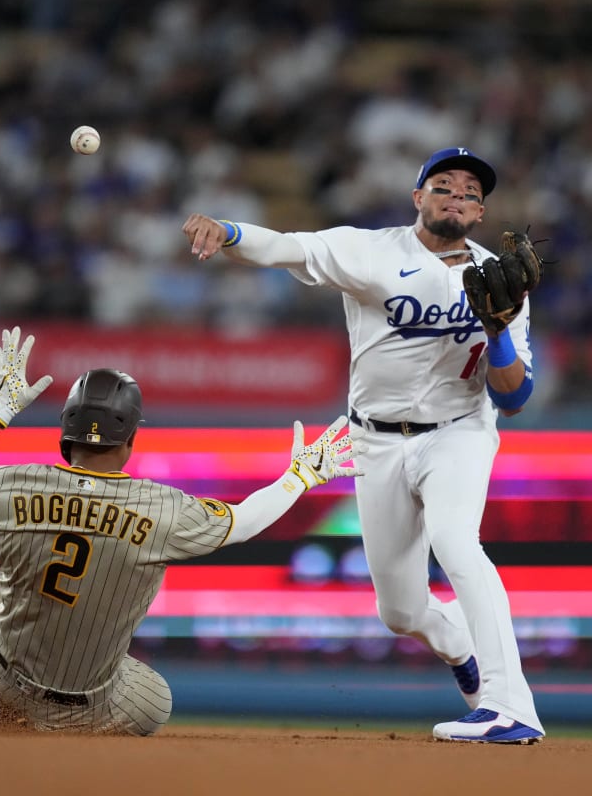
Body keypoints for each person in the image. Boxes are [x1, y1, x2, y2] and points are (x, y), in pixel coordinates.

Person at [182, 146, 545, 744]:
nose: (458, 195)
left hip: (459, 432)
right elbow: (285, 246)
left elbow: (514, 397)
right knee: (400, 613)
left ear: (481, 213)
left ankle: (512, 705)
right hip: (373, 440)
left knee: (457, 541)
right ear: (418, 198)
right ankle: (458, 645)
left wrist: (499, 330)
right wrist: (227, 231)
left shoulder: (501, 280)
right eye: (444, 184)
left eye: (471, 192)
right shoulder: (371, 251)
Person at [0, 325, 361, 735]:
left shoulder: (12, 483)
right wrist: (299, 478)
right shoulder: (162, 508)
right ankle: (68, 748)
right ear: (129, 440)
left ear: (66, 430)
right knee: (155, 699)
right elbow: (245, 522)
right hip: (86, 707)